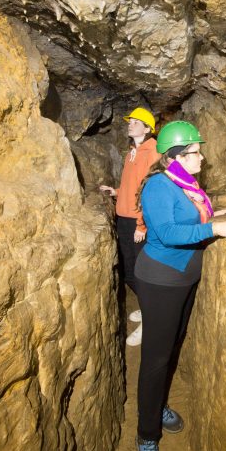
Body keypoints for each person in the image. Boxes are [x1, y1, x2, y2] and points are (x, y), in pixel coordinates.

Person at [134, 120, 226, 451]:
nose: (201, 157)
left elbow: (196, 216)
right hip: (160, 279)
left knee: (171, 348)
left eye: (199, 151)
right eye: (194, 152)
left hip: (184, 278)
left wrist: (216, 217)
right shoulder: (158, 185)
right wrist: (213, 230)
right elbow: (167, 233)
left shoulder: (186, 184)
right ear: (174, 157)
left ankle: (159, 404)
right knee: (155, 360)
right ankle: (146, 436)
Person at [100, 107, 160, 346]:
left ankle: (151, 318)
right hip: (124, 219)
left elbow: (150, 191)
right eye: (130, 121)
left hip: (138, 222)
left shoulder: (152, 151)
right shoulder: (132, 152)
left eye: (136, 122)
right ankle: (147, 309)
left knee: (140, 273)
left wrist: (142, 225)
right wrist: (116, 192)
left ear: (147, 128)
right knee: (128, 270)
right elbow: (132, 185)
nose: (130, 124)